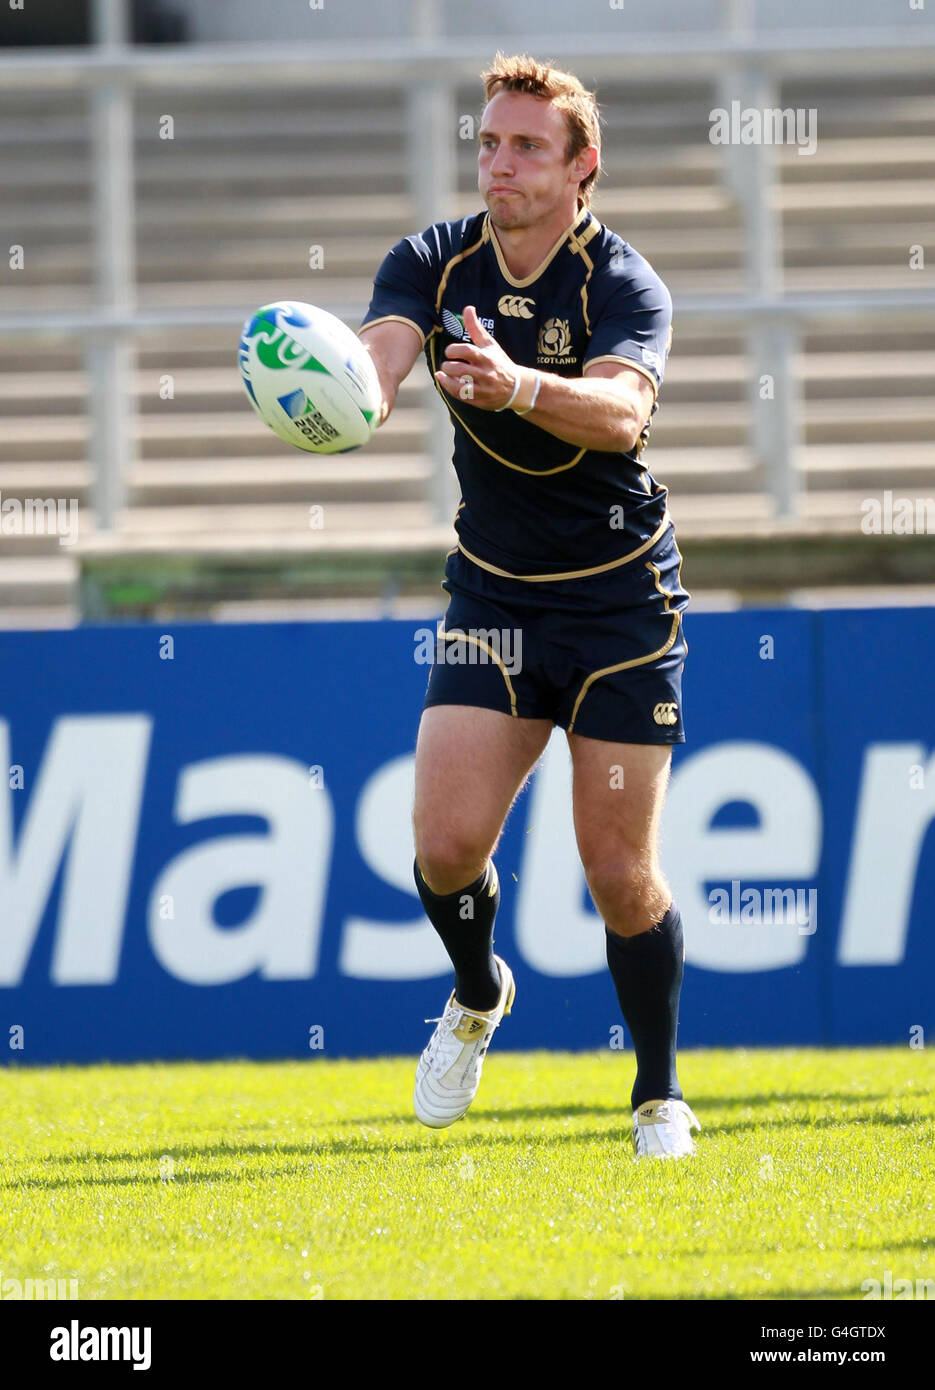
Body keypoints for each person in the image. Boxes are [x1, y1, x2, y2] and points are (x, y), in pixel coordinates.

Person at [358, 52, 699, 1159]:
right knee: (446, 845)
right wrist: (343, 386)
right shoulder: (433, 256)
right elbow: (383, 354)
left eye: (522, 148)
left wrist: (519, 386)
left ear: (580, 167)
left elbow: (619, 416)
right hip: (496, 594)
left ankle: (655, 1096)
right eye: (486, 143)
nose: (494, 165)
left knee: (617, 873)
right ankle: (476, 989)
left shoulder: (624, 283)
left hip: (616, 604)